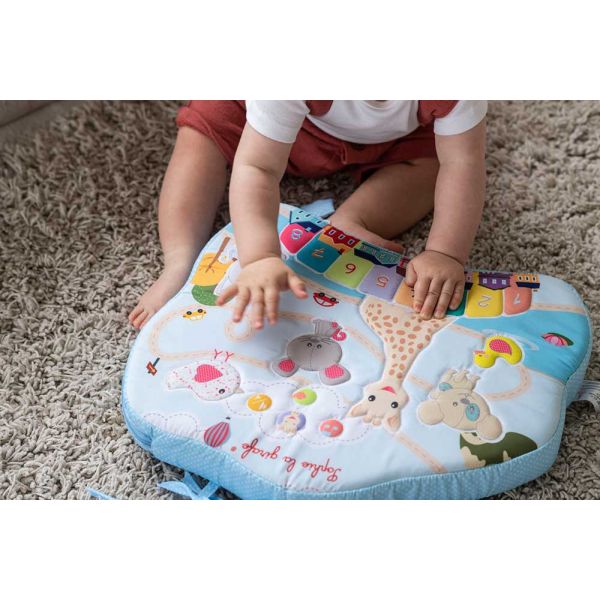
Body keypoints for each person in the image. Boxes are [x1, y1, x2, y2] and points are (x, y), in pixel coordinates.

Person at [128, 100, 487, 331]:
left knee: (434, 167)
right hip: (258, 125)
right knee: (203, 131)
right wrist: (260, 257)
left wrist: (446, 252)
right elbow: (256, 168)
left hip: (389, 140)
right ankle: (179, 261)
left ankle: (352, 222)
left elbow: (462, 163)